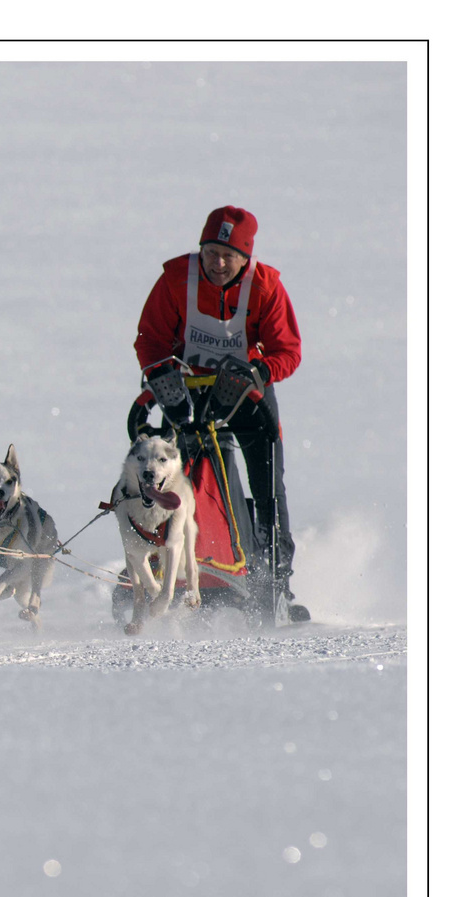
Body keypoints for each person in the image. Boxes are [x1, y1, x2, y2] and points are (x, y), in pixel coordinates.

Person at [133, 206, 306, 616]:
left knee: (268, 490)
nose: (219, 262)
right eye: (211, 252)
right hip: (185, 397)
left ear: (246, 258)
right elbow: (150, 339)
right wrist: (159, 373)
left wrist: (260, 371)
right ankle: (164, 569)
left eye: (229, 255)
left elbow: (288, 351)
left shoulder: (265, 287)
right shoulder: (177, 279)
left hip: (247, 399)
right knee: (165, 483)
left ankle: (273, 581)